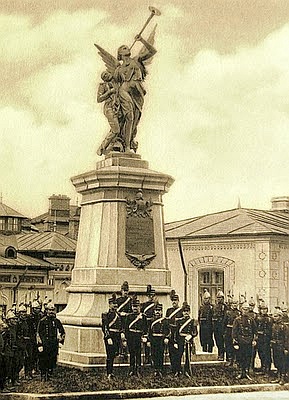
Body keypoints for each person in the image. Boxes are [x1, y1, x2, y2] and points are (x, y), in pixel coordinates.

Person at [114, 34, 156, 152]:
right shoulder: (119, 69)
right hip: (124, 91)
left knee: (135, 119)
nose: (126, 48)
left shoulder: (137, 59)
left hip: (137, 93)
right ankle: (126, 146)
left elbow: (152, 51)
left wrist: (142, 40)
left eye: (127, 47)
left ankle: (128, 141)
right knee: (130, 116)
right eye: (123, 48)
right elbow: (114, 84)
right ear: (120, 55)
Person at [37, 303, 65, 381]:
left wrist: (60, 342)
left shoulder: (57, 321)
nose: (51, 312)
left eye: (53, 310)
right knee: (43, 359)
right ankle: (43, 374)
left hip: (53, 344)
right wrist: (40, 345)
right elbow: (38, 334)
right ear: (46, 311)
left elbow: (62, 332)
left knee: (52, 359)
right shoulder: (42, 321)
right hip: (45, 343)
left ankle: (49, 374)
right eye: (50, 310)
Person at [96, 71, 122, 155]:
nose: (106, 75)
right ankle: (102, 148)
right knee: (116, 130)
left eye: (106, 73)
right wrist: (110, 92)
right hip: (109, 108)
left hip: (118, 109)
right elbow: (99, 99)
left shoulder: (117, 84)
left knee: (117, 128)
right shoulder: (103, 86)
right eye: (104, 75)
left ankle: (112, 146)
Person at [232, 301, 257, 380]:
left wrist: (254, 340)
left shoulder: (251, 320)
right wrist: (235, 342)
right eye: (244, 309)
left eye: (247, 309)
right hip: (240, 341)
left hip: (249, 341)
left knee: (248, 357)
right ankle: (241, 372)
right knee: (240, 357)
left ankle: (246, 372)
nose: (245, 311)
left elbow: (255, 331)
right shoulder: (237, 320)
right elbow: (234, 332)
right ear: (241, 310)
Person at [125, 296, 148, 376]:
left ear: (139, 307)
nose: (135, 308)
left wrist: (145, 337)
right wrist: (126, 339)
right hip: (131, 337)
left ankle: (138, 369)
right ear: (131, 307)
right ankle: (132, 369)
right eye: (134, 306)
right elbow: (126, 329)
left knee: (138, 354)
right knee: (132, 353)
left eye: (137, 306)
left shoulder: (143, 316)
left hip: (139, 337)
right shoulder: (129, 316)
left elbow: (146, 328)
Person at [102, 294, 123, 379]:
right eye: (113, 304)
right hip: (110, 336)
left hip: (117, 337)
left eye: (116, 304)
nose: (115, 305)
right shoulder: (105, 315)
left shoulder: (118, 314)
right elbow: (105, 327)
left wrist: (122, 333)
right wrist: (108, 337)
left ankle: (111, 371)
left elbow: (121, 325)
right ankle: (109, 373)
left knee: (115, 354)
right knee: (110, 355)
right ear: (109, 304)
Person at [175, 302, 198, 377]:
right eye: (184, 311)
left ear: (189, 312)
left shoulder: (192, 321)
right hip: (180, 340)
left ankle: (186, 370)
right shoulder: (179, 321)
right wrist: (175, 341)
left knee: (188, 357)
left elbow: (195, 332)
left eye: (187, 311)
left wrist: (191, 335)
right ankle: (178, 370)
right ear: (182, 312)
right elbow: (176, 332)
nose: (186, 313)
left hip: (188, 340)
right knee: (178, 355)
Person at [148, 303, 170, 377]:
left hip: (161, 340)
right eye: (156, 310)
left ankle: (160, 369)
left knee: (160, 354)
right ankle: (155, 369)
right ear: (154, 311)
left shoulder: (165, 321)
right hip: (154, 339)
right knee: (154, 354)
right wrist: (148, 340)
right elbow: (149, 332)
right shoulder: (151, 321)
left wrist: (166, 338)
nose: (157, 312)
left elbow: (168, 331)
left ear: (161, 311)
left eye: (159, 310)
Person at [165, 291, 184, 375]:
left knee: (179, 352)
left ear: (178, 301)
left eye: (175, 300)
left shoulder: (181, 311)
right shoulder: (169, 311)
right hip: (171, 333)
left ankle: (178, 369)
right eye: (173, 300)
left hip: (179, 334)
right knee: (171, 352)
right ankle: (173, 368)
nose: (174, 302)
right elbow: (166, 322)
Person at [270, 308, 289, 385]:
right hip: (275, 346)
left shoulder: (284, 327)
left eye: (276, 316)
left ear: (280, 317)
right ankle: (278, 377)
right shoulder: (274, 326)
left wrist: (286, 348)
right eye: (274, 316)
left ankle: (283, 378)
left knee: (283, 362)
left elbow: (287, 338)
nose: (274, 318)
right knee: (276, 361)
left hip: (282, 347)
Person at [141, 285, 158, 365]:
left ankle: (153, 357)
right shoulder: (144, 305)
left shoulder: (157, 305)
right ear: (147, 296)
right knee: (146, 340)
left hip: (154, 325)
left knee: (153, 341)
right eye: (150, 295)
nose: (151, 297)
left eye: (153, 295)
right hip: (146, 324)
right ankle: (147, 357)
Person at [255, 301, 272, 375]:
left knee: (267, 353)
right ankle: (263, 367)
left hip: (266, 338)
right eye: (262, 309)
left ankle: (267, 369)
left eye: (265, 309)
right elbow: (255, 327)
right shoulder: (257, 318)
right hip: (259, 338)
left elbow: (271, 330)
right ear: (260, 310)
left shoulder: (270, 319)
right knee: (260, 352)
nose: (264, 310)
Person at [116, 281, 132, 361]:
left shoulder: (130, 300)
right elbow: (115, 311)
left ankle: (126, 352)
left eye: (126, 291)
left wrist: (127, 314)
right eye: (124, 291)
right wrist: (120, 313)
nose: (125, 292)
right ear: (121, 291)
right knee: (120, 336)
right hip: (120, 321)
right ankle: (120, 351)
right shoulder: (118, 300)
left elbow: (132, 312)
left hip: (127, 321)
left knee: (127, 336)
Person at [223, 297, 240, 366]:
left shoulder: (239, 312)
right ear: (231, 304)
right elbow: (224, 322)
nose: (235, 305)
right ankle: (229, 359)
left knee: (236, 345)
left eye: (236, 303)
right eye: (233, 303)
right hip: (228, 330)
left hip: (236, 331)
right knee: (228, 345)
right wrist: (224, 332)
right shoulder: (228, 312)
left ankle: (236, 360)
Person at [212, 290, 227, 361]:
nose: (219, 299)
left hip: (222, 326)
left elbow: (225, 317)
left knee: (222, 341)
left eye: (220, 297)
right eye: (218, 297)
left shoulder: (225, 307)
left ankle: (222, 354)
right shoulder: (214, 306)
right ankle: (219, 352)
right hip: (216, 326)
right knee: (217, 340)